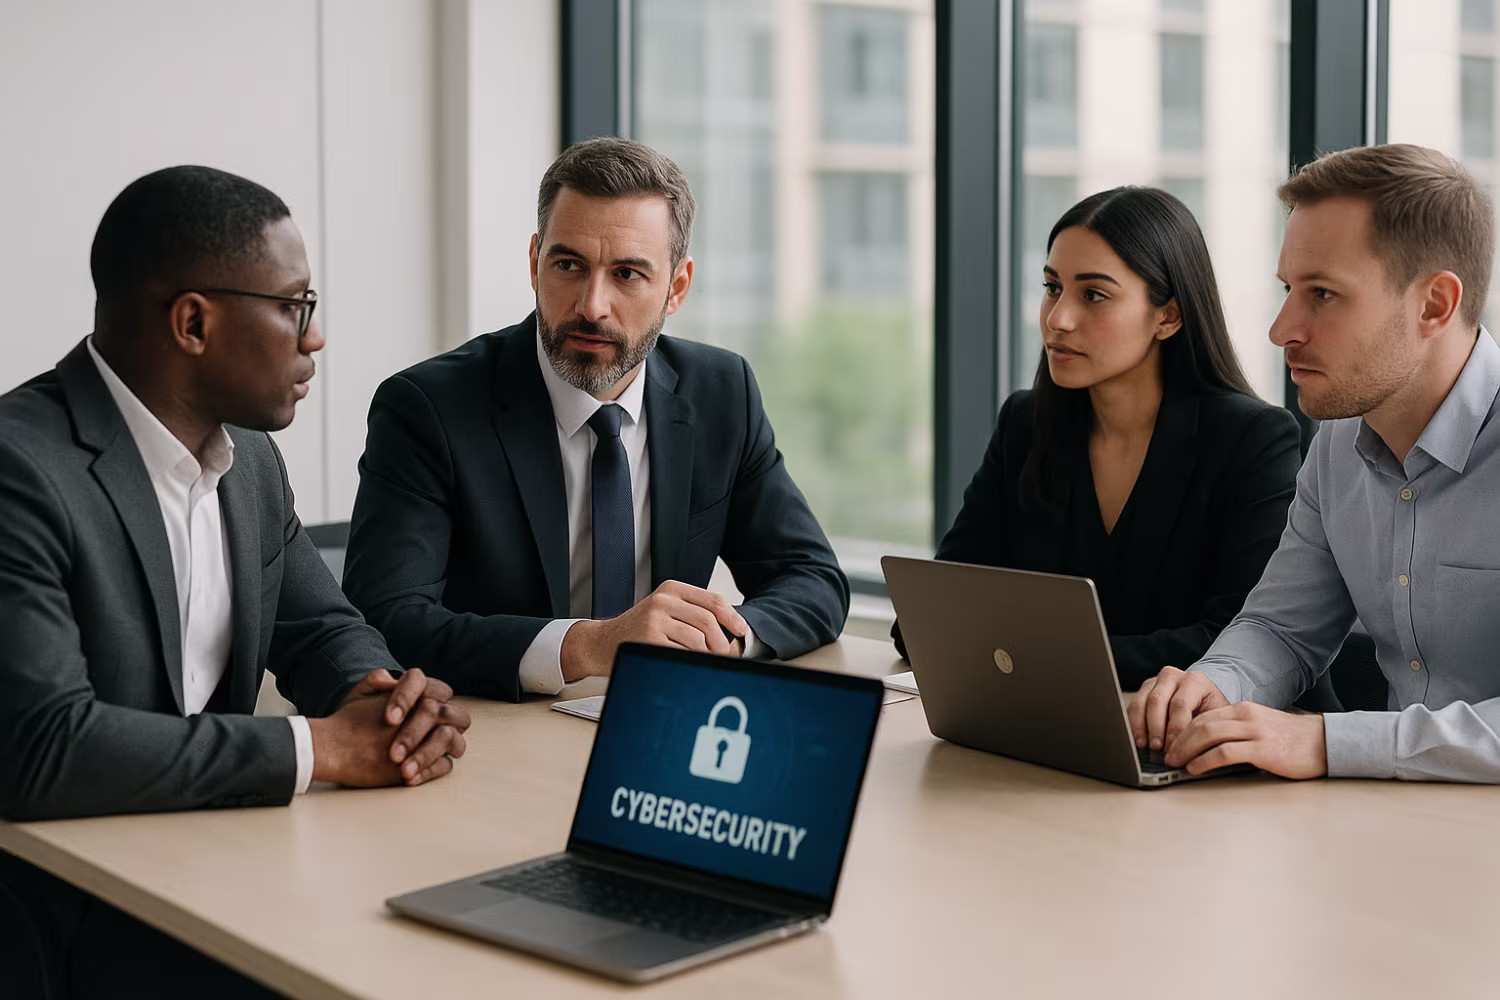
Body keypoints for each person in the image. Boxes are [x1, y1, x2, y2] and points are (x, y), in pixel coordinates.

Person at [0, 166, 471, 998]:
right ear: (193, 322)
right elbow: (44, 749)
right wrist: (321, 746)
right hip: (63, 917)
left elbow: (320, 628)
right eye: (295, 306)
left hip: (218, 873)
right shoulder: (20, 468)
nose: (314, 337)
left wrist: (384, 700)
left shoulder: (249, 460)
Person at [343, 138, 848, 701]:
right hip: (497, 734)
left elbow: (812, 579)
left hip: (656, 717)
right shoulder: (429, 407)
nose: (591, 305)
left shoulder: (720, 391)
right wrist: (588, 646)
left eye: (628, 274)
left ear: (676, 287)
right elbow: (382, 619)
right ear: (534, 262)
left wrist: (722, 640)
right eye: (568, 265)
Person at [1128, 143, 1500, 783]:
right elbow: (1281, 628)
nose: (1281, 330)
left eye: (1322, 294)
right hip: (1397, 828)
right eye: (1289, 290)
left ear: (1434, 305)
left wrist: (1328, 742)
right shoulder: (1338, 441)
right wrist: (1212, 690)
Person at [895, 186, 1301, 688]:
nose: (1058, 319)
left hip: (1191, 735)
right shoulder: (1025, 425)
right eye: (1051, 288)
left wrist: (1028, 653)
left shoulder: (1252, 439)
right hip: (1044, 727)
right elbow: (930, 615)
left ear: (1168, 316)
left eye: (1094, 295)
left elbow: (1240, 642)